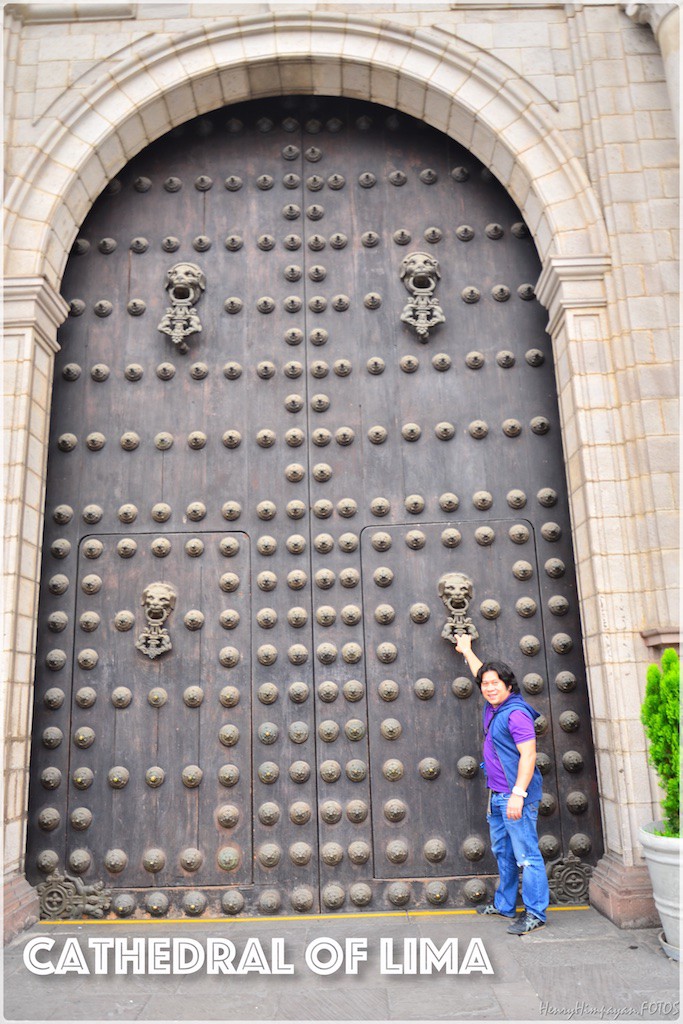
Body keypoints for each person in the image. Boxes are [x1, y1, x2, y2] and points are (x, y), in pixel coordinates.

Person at [455, 632, 549, 935]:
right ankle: (505, 905)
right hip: (497, 794)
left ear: (510, 686)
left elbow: (528, 755)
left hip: (514, 795)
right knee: (504, 852)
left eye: (496, 683)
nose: (489, 687)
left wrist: (518, 795)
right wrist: (467, 650)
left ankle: (535, 913)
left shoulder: (516, 713)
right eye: (485, 684)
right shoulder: (494, 705)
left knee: (527, 856)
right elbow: (481, 672)